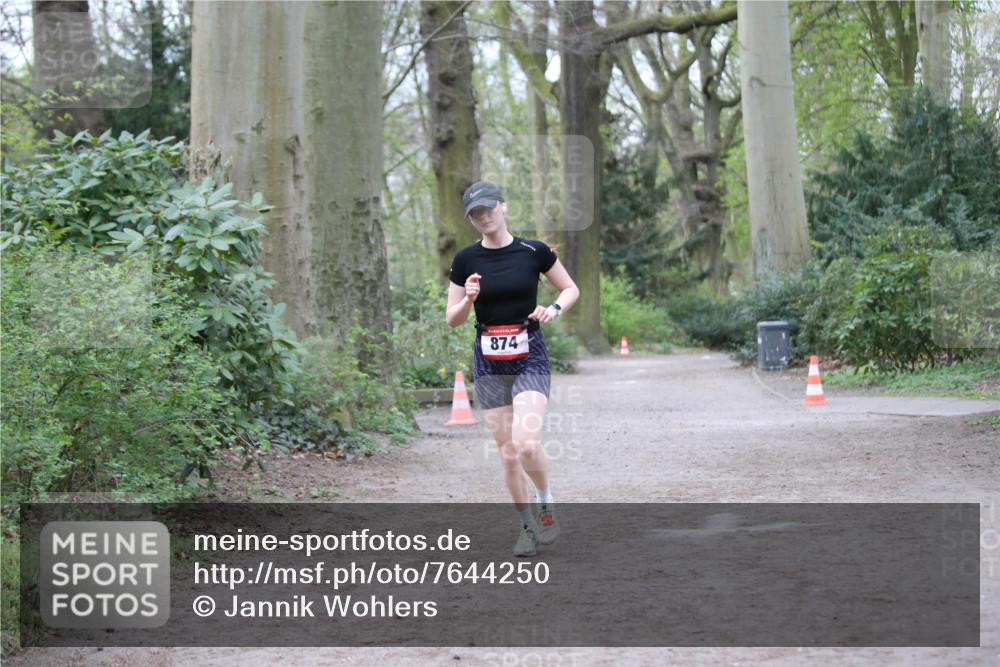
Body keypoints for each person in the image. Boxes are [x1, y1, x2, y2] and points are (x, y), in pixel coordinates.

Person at [445, 180, 580, 557]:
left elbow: (570, 289)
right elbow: (452, 319)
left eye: (488, 207)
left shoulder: (532, 251)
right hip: (488, 358)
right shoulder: (465, 260)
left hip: (529, 353)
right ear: (471, 219)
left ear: (503, 206)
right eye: (475, 212)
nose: (483, 216)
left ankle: (546, 500)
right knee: (507, 452)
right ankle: (526, 527)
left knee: (526, 443)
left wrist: (553, 310)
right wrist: (468, 300)